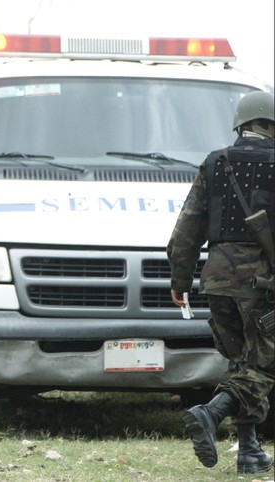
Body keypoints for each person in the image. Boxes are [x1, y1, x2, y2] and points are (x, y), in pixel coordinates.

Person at [167, 90, 274, 474]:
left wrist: (179, 279)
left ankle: (249, 451)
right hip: (264, 284)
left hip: (216, 283)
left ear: (241, 124)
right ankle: (211, 414)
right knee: (264, 364)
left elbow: (187, 228)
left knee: (240, 362)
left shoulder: (215, 163)